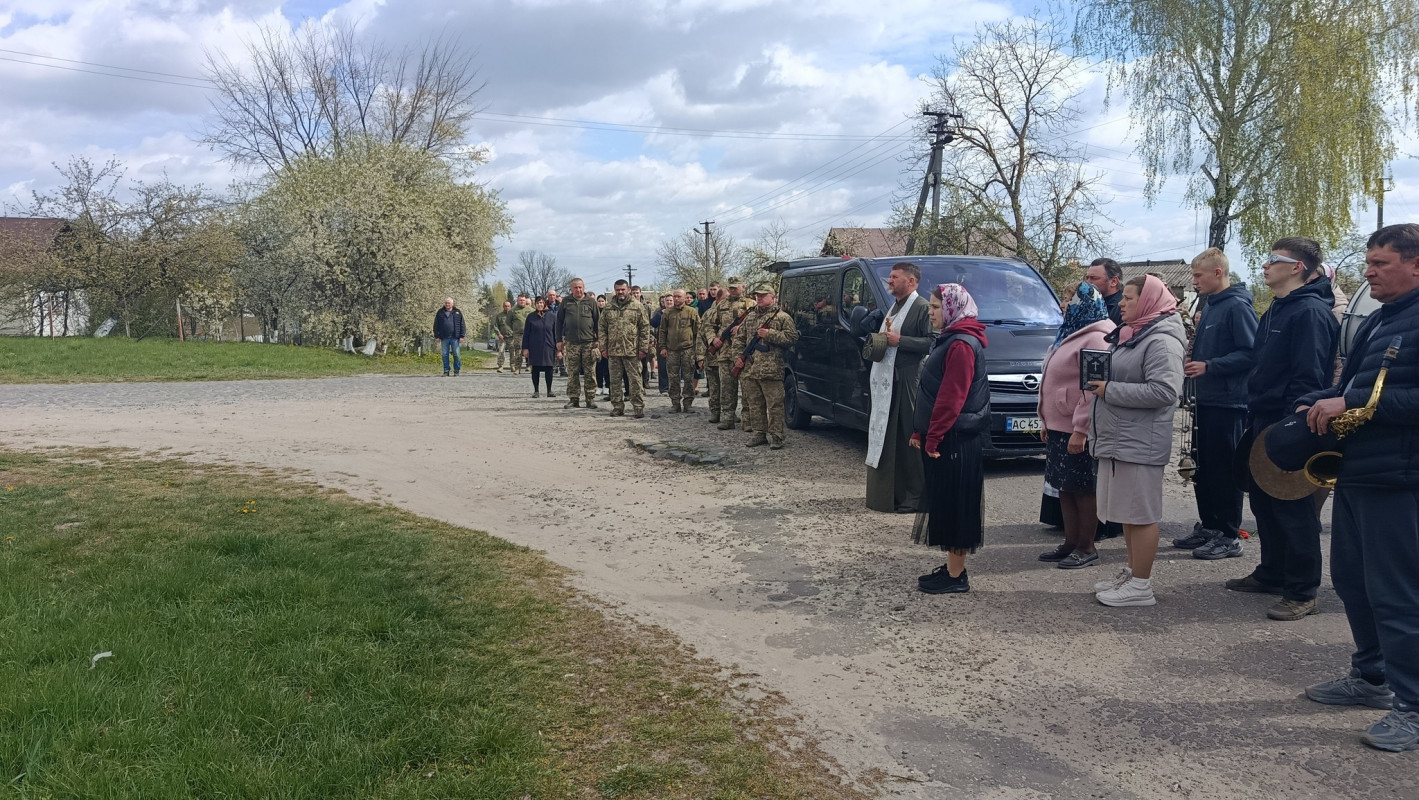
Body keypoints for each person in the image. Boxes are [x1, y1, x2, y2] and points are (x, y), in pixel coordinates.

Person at [1297, 223, 1419, 752]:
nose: (1368, 273)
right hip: (1357, 471)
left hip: (1399, 479)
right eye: (1368, 263)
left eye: (1380, 264)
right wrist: (1320, 399)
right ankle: (1371, 676)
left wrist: (1351, 406)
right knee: (1351, 580)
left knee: (1397, 596)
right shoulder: (1381, 319)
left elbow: (1386, 401)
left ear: (1416, 264)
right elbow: (1357, 388)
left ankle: (1413, 707)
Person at [1227, 237, 1339, 620]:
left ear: (1297, 267)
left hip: (1286, 422)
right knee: (1263, 501)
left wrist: (1290, 426)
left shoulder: (1309, 312)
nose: (1264, 266)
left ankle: (1302, 590)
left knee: (1291, 505)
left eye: (1273, 260)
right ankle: (1272, 572)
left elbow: (1308, 377)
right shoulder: (1277, 308)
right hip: (1261, 417)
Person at [1086, 275, 1186, 607]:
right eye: (1124, 298)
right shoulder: (1133, 334)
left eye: (1129, 298)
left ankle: (1141, 586)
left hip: (1140, 441)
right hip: (1122, 437)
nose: (1122, 303)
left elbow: (1165, 391)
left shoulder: (1162, 340)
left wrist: (1109, 390)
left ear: (1147, 302)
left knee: (1141, 515)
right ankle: (1132, 572)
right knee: (1128, 513)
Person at [1173, 248, 1258, 559]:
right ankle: (1209, 526)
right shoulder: (1211, 307)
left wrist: (1211, 366)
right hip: (1205, 400)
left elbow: (1251, 352)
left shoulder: (1237, 306)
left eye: (1198, 276)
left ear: (1218, 273)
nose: (1194, 282)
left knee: (1224, 470)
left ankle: (1229, 534)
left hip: (1229, 403)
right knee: (1203, 469)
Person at [910, 284, 990, 594]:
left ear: (952, 308)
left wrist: (934, 437)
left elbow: (951, 397)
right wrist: (922, 430)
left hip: (956, 438)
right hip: (947, 435)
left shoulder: (961, 344)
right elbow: (931, 392)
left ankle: (957, 577)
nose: (930, 312)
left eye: (935, 307)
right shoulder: (950, 339)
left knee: (957, 505)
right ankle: (953, 567)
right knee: (946, 501)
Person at [1036, 283, 1114, 568]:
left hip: (1076, 429)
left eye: (1070, 299)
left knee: (1082, 487)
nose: (1064, 304)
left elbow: (1094, 389)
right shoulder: (1068, 333)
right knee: (1064, 487)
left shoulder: (1097, 337)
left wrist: (1081, 429)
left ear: (1086, 303)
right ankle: (1070, 541)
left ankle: (1086, 546)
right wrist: (1045, 418)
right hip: (1058, 424)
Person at [866, 262, 933, 514]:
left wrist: (900, 341)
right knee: (891, 437)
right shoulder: (895, 306)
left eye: (895, 277)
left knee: (910, 438)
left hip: (908, 381)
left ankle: (916, 496)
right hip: (889, 381)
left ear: (911, 281)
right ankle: (891, 494)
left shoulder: (922, 308)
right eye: (890, 277)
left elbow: (933, 342)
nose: (890, 281)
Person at [731, 285, 799, 449]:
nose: (759, 298)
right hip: (750, 368)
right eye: (757, 296)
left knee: (774, 405)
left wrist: (769, 334)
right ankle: (759, 434)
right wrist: (737, 358)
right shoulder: (750, 317)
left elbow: (792, 338)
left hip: (771, 369)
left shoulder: (782, 317)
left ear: (773, 297)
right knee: (755, 404)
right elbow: (739, 339)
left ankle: (776, 436)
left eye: (763, 295)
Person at [599, 279, 651, 418]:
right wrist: (603, 348)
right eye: (618, 290)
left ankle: (638, 407)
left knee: (635, 381)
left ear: (628, 290)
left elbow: (645, 328)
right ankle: (617, 407)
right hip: (613, 351)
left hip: (632, 351)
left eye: (623, 289)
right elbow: (602, 329)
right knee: (614, 381)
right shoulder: (608, 308)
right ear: (615, 290)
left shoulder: (637, 306)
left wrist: (643, 348)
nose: (620, 292)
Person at [706, 278, 754, 429]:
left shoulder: (751, 305)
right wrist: (712, 340)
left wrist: (742, 327)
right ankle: (728, 418)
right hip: (725, 353)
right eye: (730, 288)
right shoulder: (721, 305)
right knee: (726, 388)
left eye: (735, 288)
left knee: (747, 388)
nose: (733, 290)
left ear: (743, 287)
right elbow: (709, 325)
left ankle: (748, 420)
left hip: (744, 353)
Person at [555, 278, 600, 409]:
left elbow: (598, 322)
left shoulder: (591, 302)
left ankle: (590, 399)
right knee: (572, 372)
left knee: (590, 372)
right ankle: (573, 398)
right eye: (575, 288)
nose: (578, 290)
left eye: (580, 287)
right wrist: (558, 340)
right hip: (571, 342)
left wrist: (598, 340)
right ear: (571, 289)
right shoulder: (566, 302)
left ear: (584, 287)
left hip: (589, 343)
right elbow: (559, 322)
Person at [659, 289, 704, 412]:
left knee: (688, 377)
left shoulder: (692, 312)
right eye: (674, 296)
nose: (676, 299)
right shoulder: (667, 313)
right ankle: (675, 403)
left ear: (685, 298)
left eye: (679, 296)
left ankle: (688, 403)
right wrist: (662, 347)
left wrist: (697, 350)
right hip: (672, 350)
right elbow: (662, 331)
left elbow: (698, 332)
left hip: (688, 349)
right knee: (673, 378)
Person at [522, 297, 558, 397]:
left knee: (549, 369)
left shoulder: (552, 316)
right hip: (535, 347)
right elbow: (526, 334)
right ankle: (536, 391)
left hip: (549, 346)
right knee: (535, 369)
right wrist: (525, 348)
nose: (540, 305)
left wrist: (558, 349)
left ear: (545, 304)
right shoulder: (531, 317)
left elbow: (556, 333)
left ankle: (549, 390)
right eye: (538, 303)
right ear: (535, 304)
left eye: (542, 303)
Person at [1084, 257, 1125, 326]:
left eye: (1093, 278)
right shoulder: (1088, 304)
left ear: (1114, 281)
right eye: (1087, 278)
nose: (1087, 282)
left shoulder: (1123, 309)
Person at [433, 297, 465, 377]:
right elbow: (436, 325)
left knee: (456, 354)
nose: (447, 304)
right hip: (444, 337)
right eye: (446, 303)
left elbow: (462, 324)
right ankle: (446, 371)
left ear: (452, 304)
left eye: (449, 303)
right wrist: (437, 336)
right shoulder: (440, 312)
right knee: (444, 354)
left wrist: (462, 336)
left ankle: (456, 370)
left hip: (455, 337)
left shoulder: (457, 312)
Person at [595, 294, 611, 396]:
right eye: (599, 301)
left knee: (607, 366)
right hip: (597, 342)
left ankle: (607, 386)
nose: (601, 303)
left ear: (605, 302)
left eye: (602, 301)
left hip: (608, 342)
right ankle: (599, 386)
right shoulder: (595, 313)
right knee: (598, 366)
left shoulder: (608, 312)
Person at [493, 300, 514, 372]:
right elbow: (495, 326)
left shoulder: (514, 315)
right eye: (505, 306)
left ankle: (512, 365)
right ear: (503, 307)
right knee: (501, 351)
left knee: (512, 352)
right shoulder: (499, 316)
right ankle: (501, 366)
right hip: (502, 337)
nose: (507, 307)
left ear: (510, 306)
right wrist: (499, 334)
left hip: (512, 337)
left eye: (508, 306)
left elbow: (517, 325)